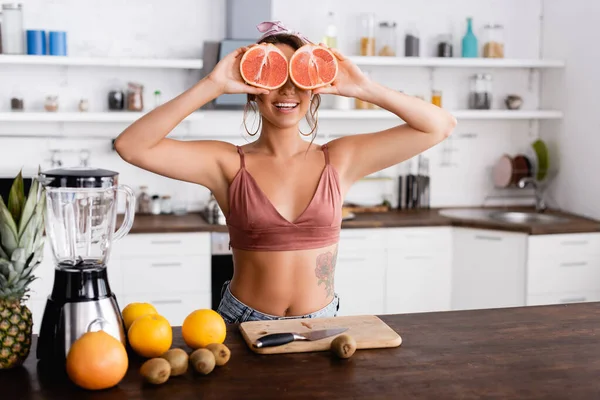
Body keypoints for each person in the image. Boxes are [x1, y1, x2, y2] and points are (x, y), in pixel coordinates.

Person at [114, 21, 456, 324]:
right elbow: (131, 146)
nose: (288, 91)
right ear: (252, 93)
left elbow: (439, 126)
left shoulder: (339, 158)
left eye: (298, 79)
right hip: (243, 323)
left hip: (322, 324)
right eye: (274, 79)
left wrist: (365, 88)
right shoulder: (227, 163)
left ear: (315, 89)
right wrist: (214, 83)